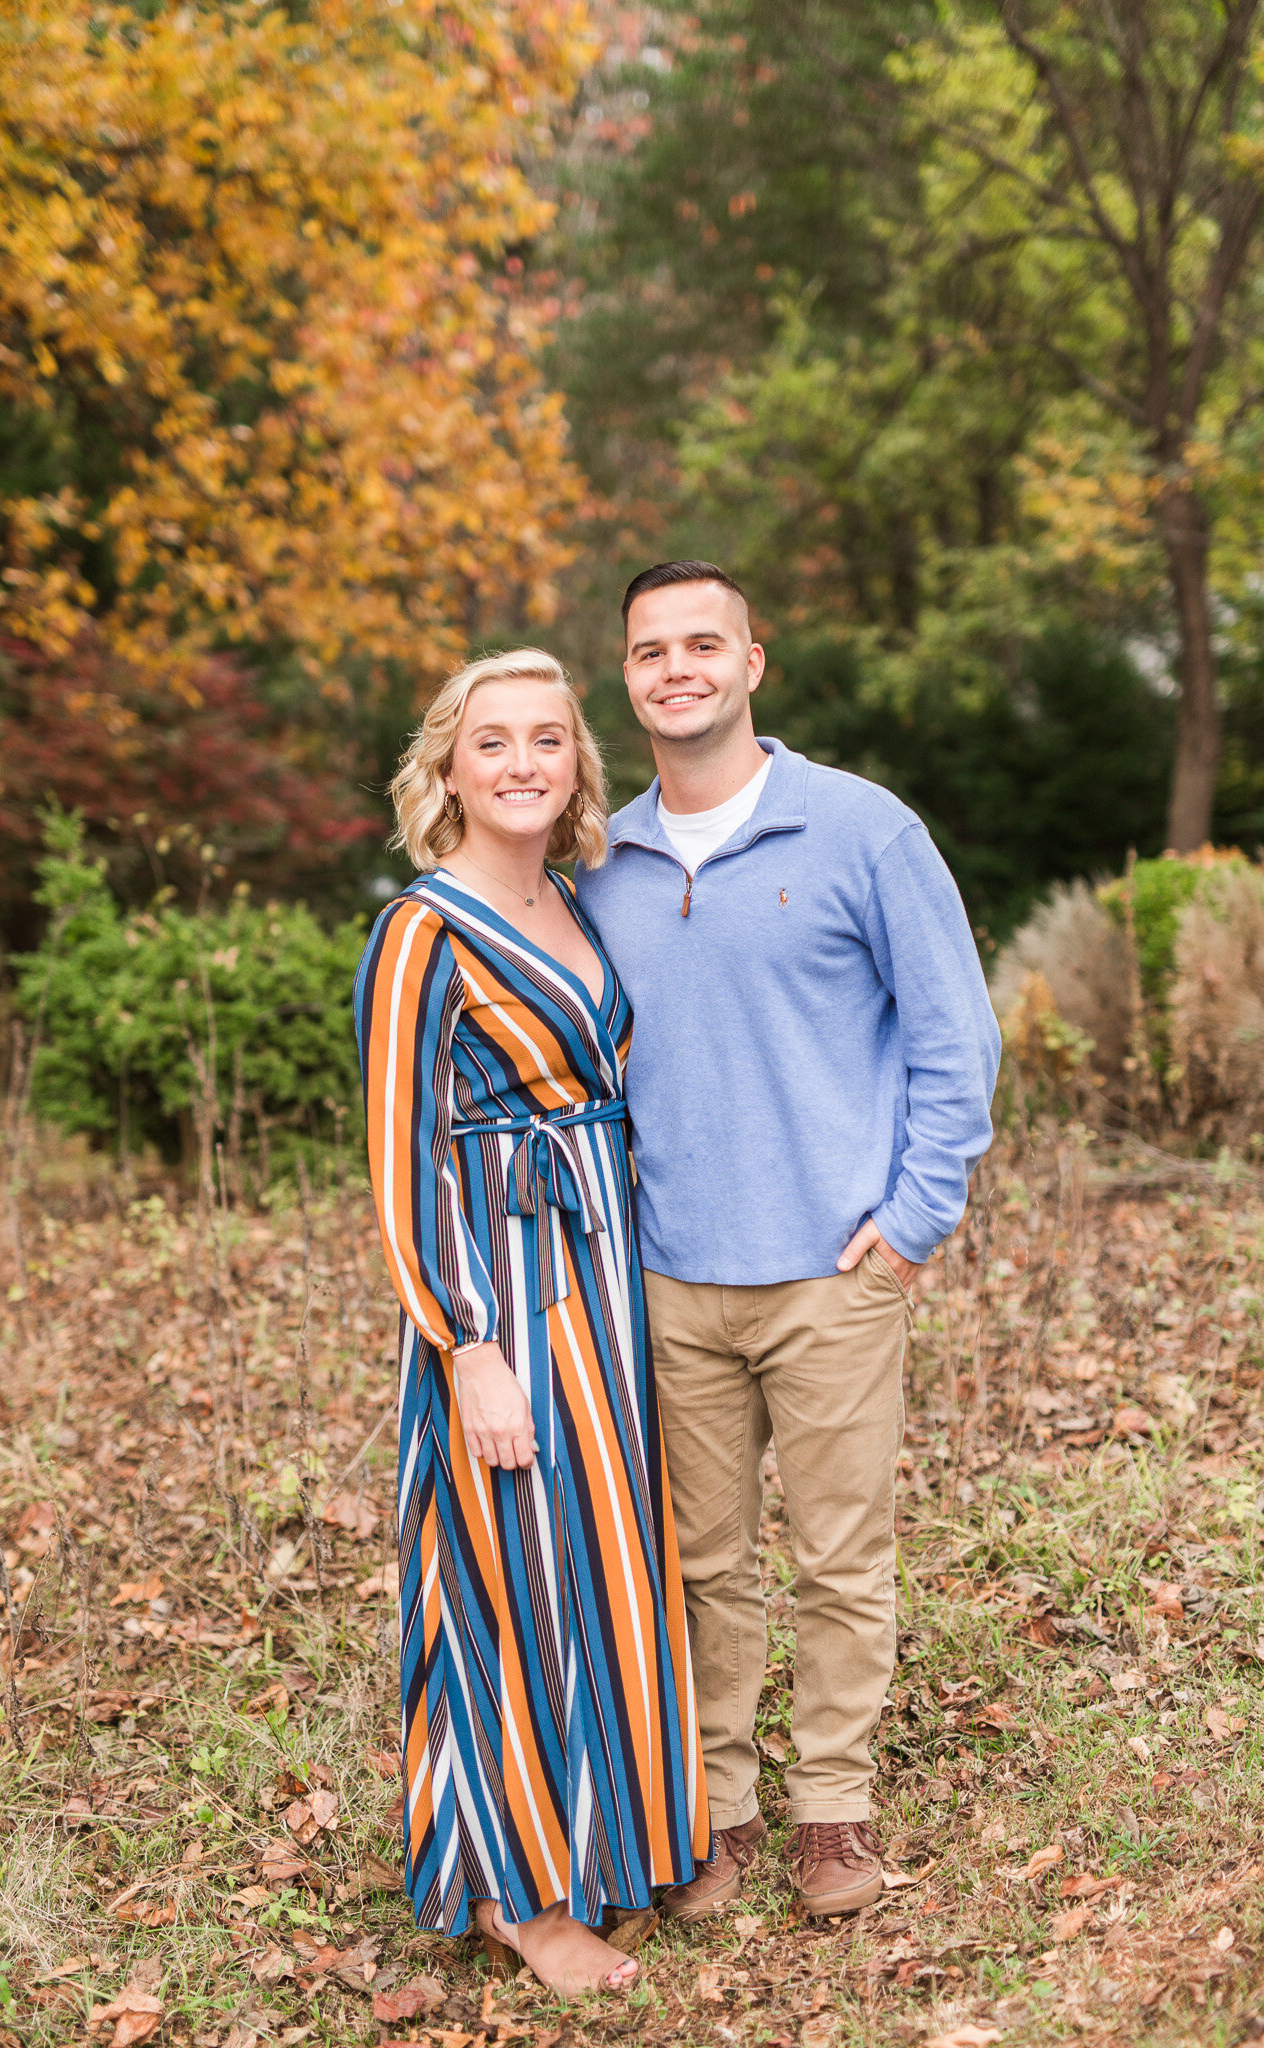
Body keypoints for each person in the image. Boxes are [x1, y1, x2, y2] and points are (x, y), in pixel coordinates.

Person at [576, 562, 1000, 1919]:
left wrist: (913, 1220)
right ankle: (717, 1812)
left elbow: (954, 1036)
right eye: (651, 651)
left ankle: (834, 1815)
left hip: (831, 1272)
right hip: (667, 1279)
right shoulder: (604, 861)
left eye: (703, 644)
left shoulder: (859, 830)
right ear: (628, 677)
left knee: (835, 1558)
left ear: (753, 662)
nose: (677, 668)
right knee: (700, 1567)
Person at [353, 648, 709, 1995]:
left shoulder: (577, 901)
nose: (520, 763)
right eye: (491, 740)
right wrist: (468, 1350)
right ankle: (517, 1893)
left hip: (608, 1283)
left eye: (546, 740)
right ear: (446, 766)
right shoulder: (420, 932)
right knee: (506, 1577)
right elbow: (398, 1166)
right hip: (497, 1293)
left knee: (606, 1565)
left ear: (575, 766)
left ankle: (617, 1842)